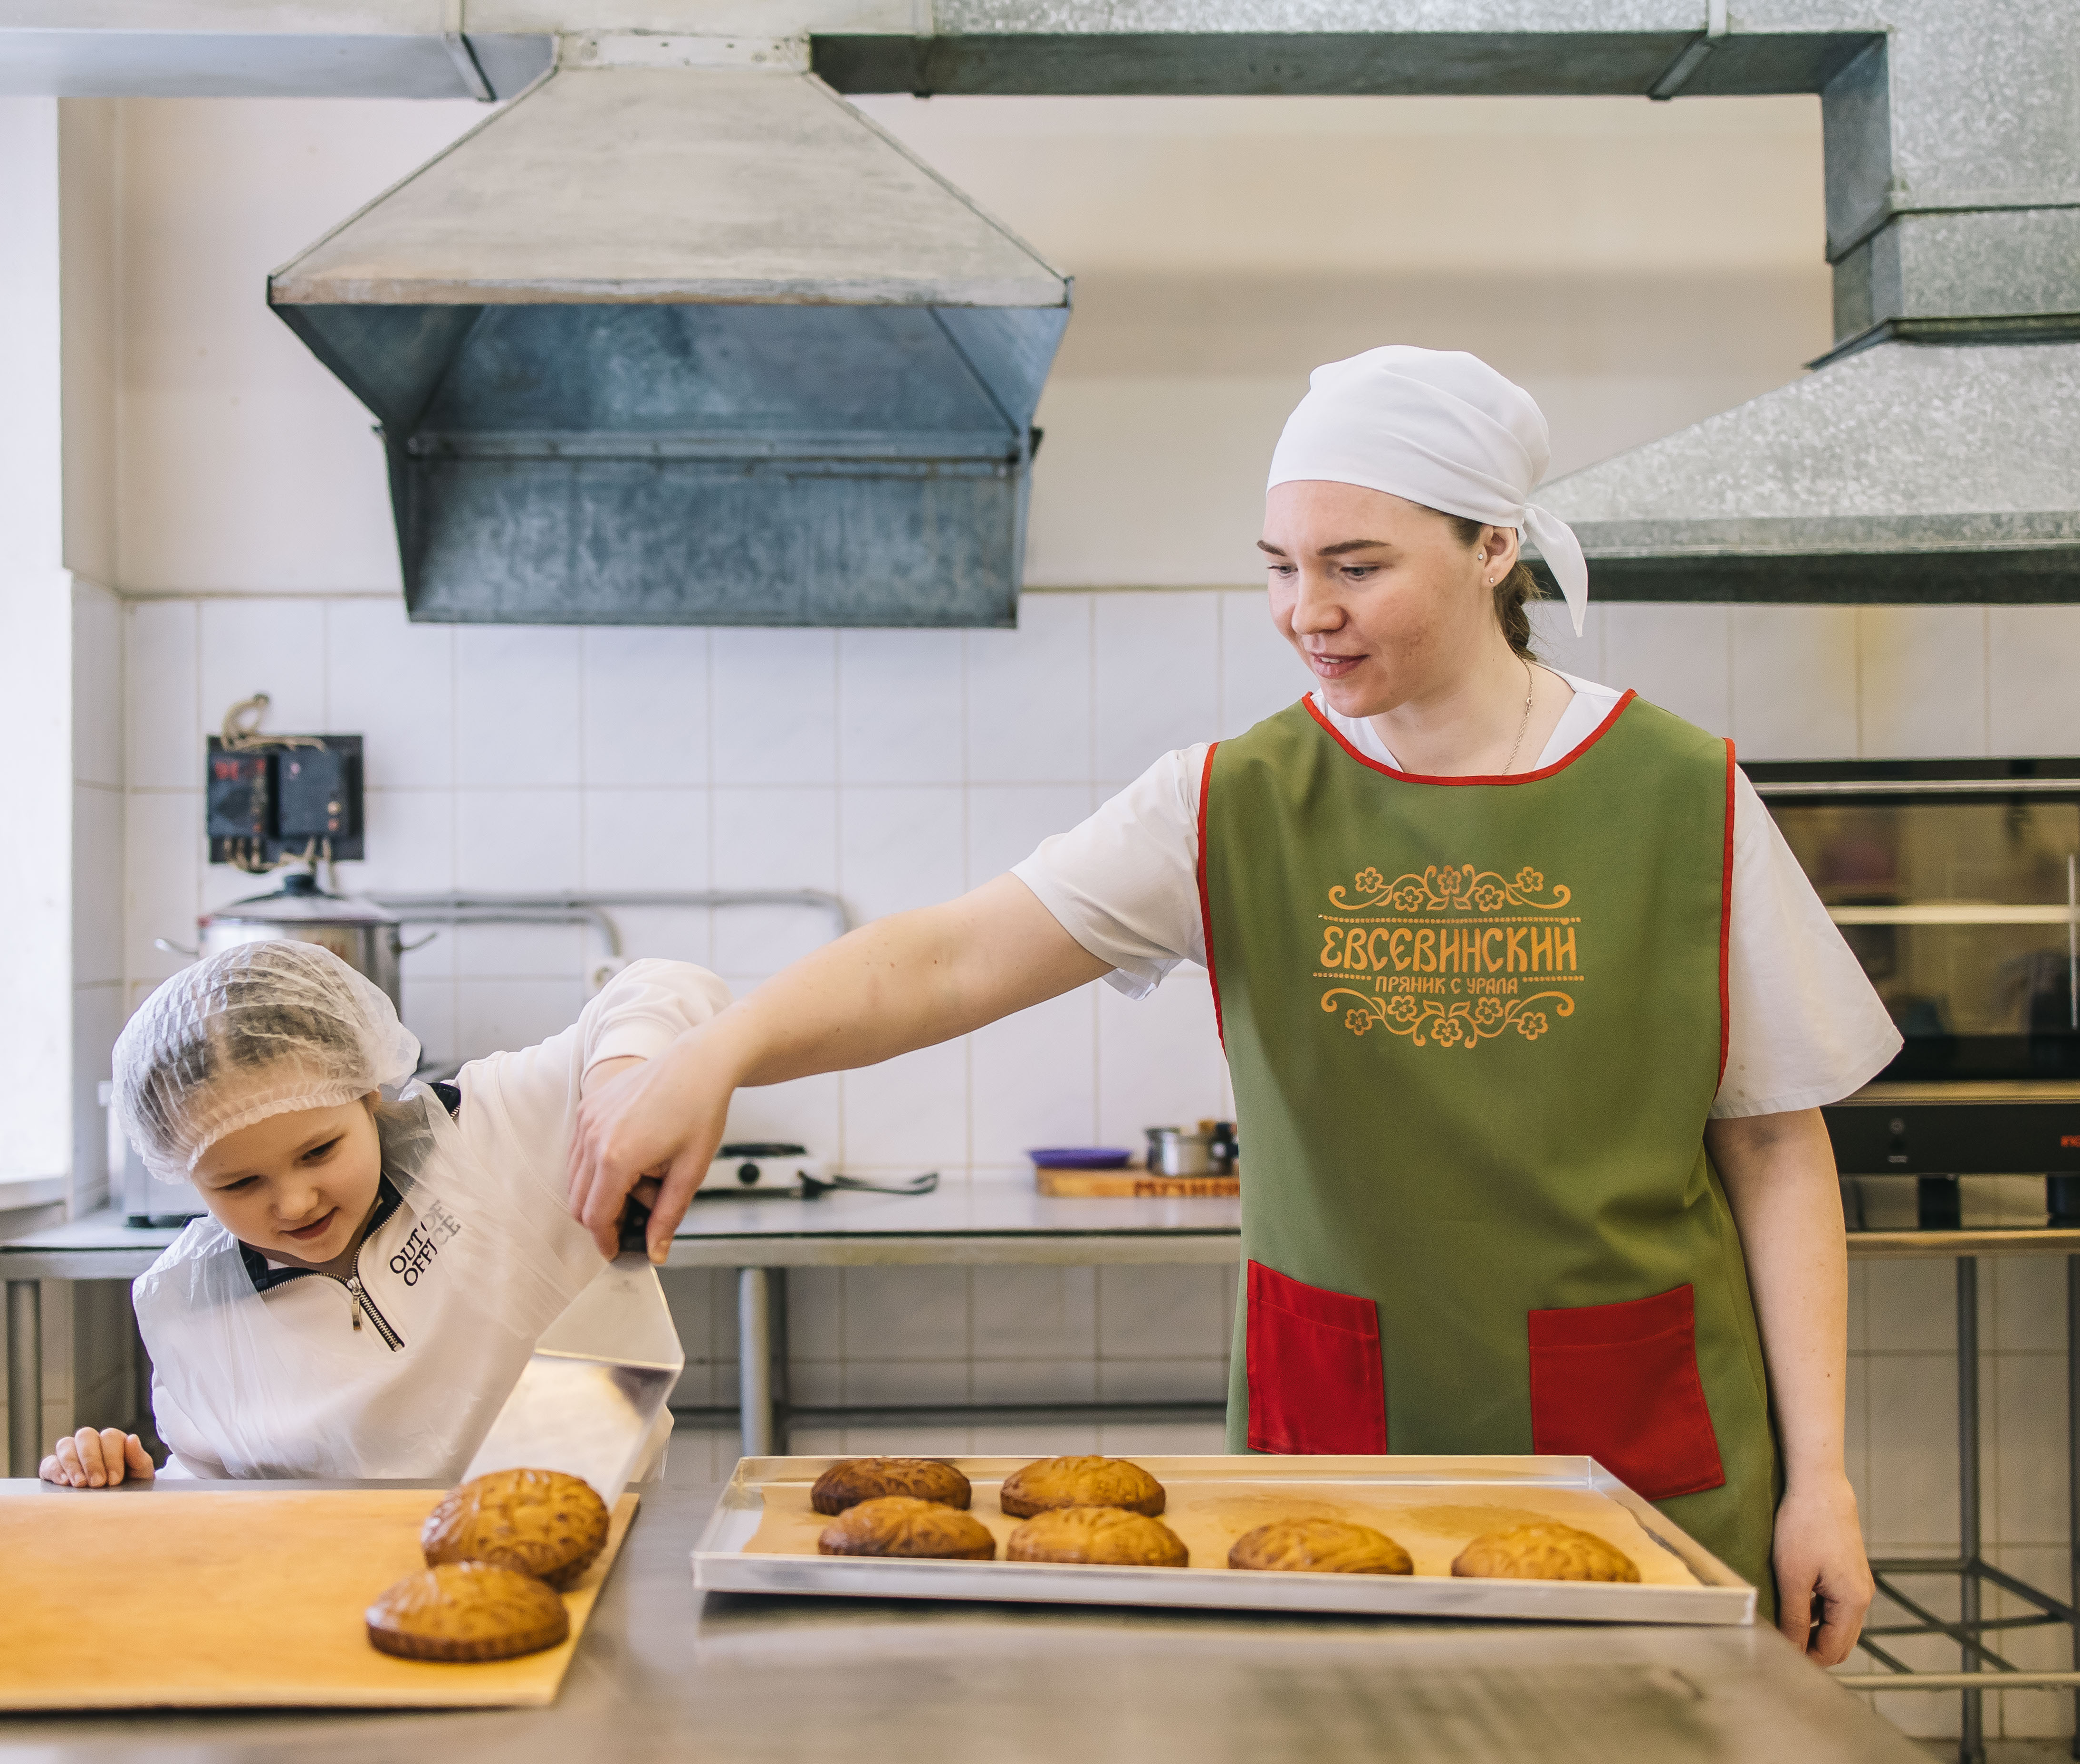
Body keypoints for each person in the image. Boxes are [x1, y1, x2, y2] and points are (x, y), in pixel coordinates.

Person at [566, 346, 1895, 1663]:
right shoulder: (1226, 801)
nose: (1306, 610)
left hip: (1647, 1454)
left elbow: (1775, 1145)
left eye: (1356, 567)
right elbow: (952, 958)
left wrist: (1822, 1479)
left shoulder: (1684, 795)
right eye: (1279, 566)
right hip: (1337, 1458)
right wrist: (718, 1050)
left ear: (1494, 547)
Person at [39, 939, 728, 1487]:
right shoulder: (187, 1304)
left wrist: (620, 1086)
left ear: (368, 1091)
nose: (295, 1202)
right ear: (185, 1175)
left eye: (319, 1151)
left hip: (589, 1554)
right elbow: (213, 1497)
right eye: (239, 1183)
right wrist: (130, 1478)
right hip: (346, 1600)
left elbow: (667, 984)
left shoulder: (494, 1133)